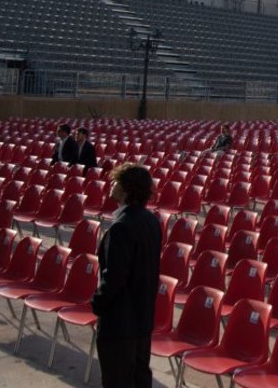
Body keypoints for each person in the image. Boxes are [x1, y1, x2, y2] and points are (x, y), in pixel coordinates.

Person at [92, 163, 162, 388]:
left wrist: (98, 304)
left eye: (115, 182)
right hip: (142, 319)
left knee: (118, 380)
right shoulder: (151, 220)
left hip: (120, 322)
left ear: (126, 188)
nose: (111, 185)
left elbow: (114, 278)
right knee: (140, 378)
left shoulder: (121, 226)